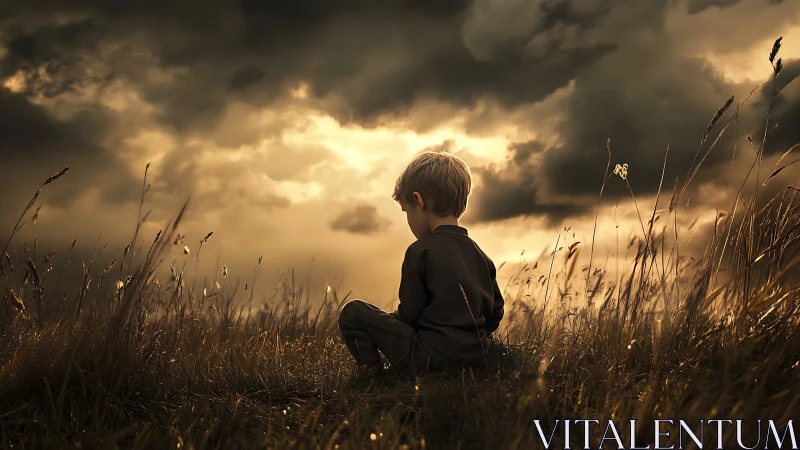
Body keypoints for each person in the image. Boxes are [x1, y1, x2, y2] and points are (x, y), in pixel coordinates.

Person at [337, 151, 505, 377]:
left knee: (353, 311)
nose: (408, 219)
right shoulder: (481, 256)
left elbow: (410, 314)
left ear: (419, 201)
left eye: (406, 211)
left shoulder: (420, 251)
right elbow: (495, 313)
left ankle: (373, 377)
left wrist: (388, 322)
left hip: (429, 359)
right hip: (477, 360)